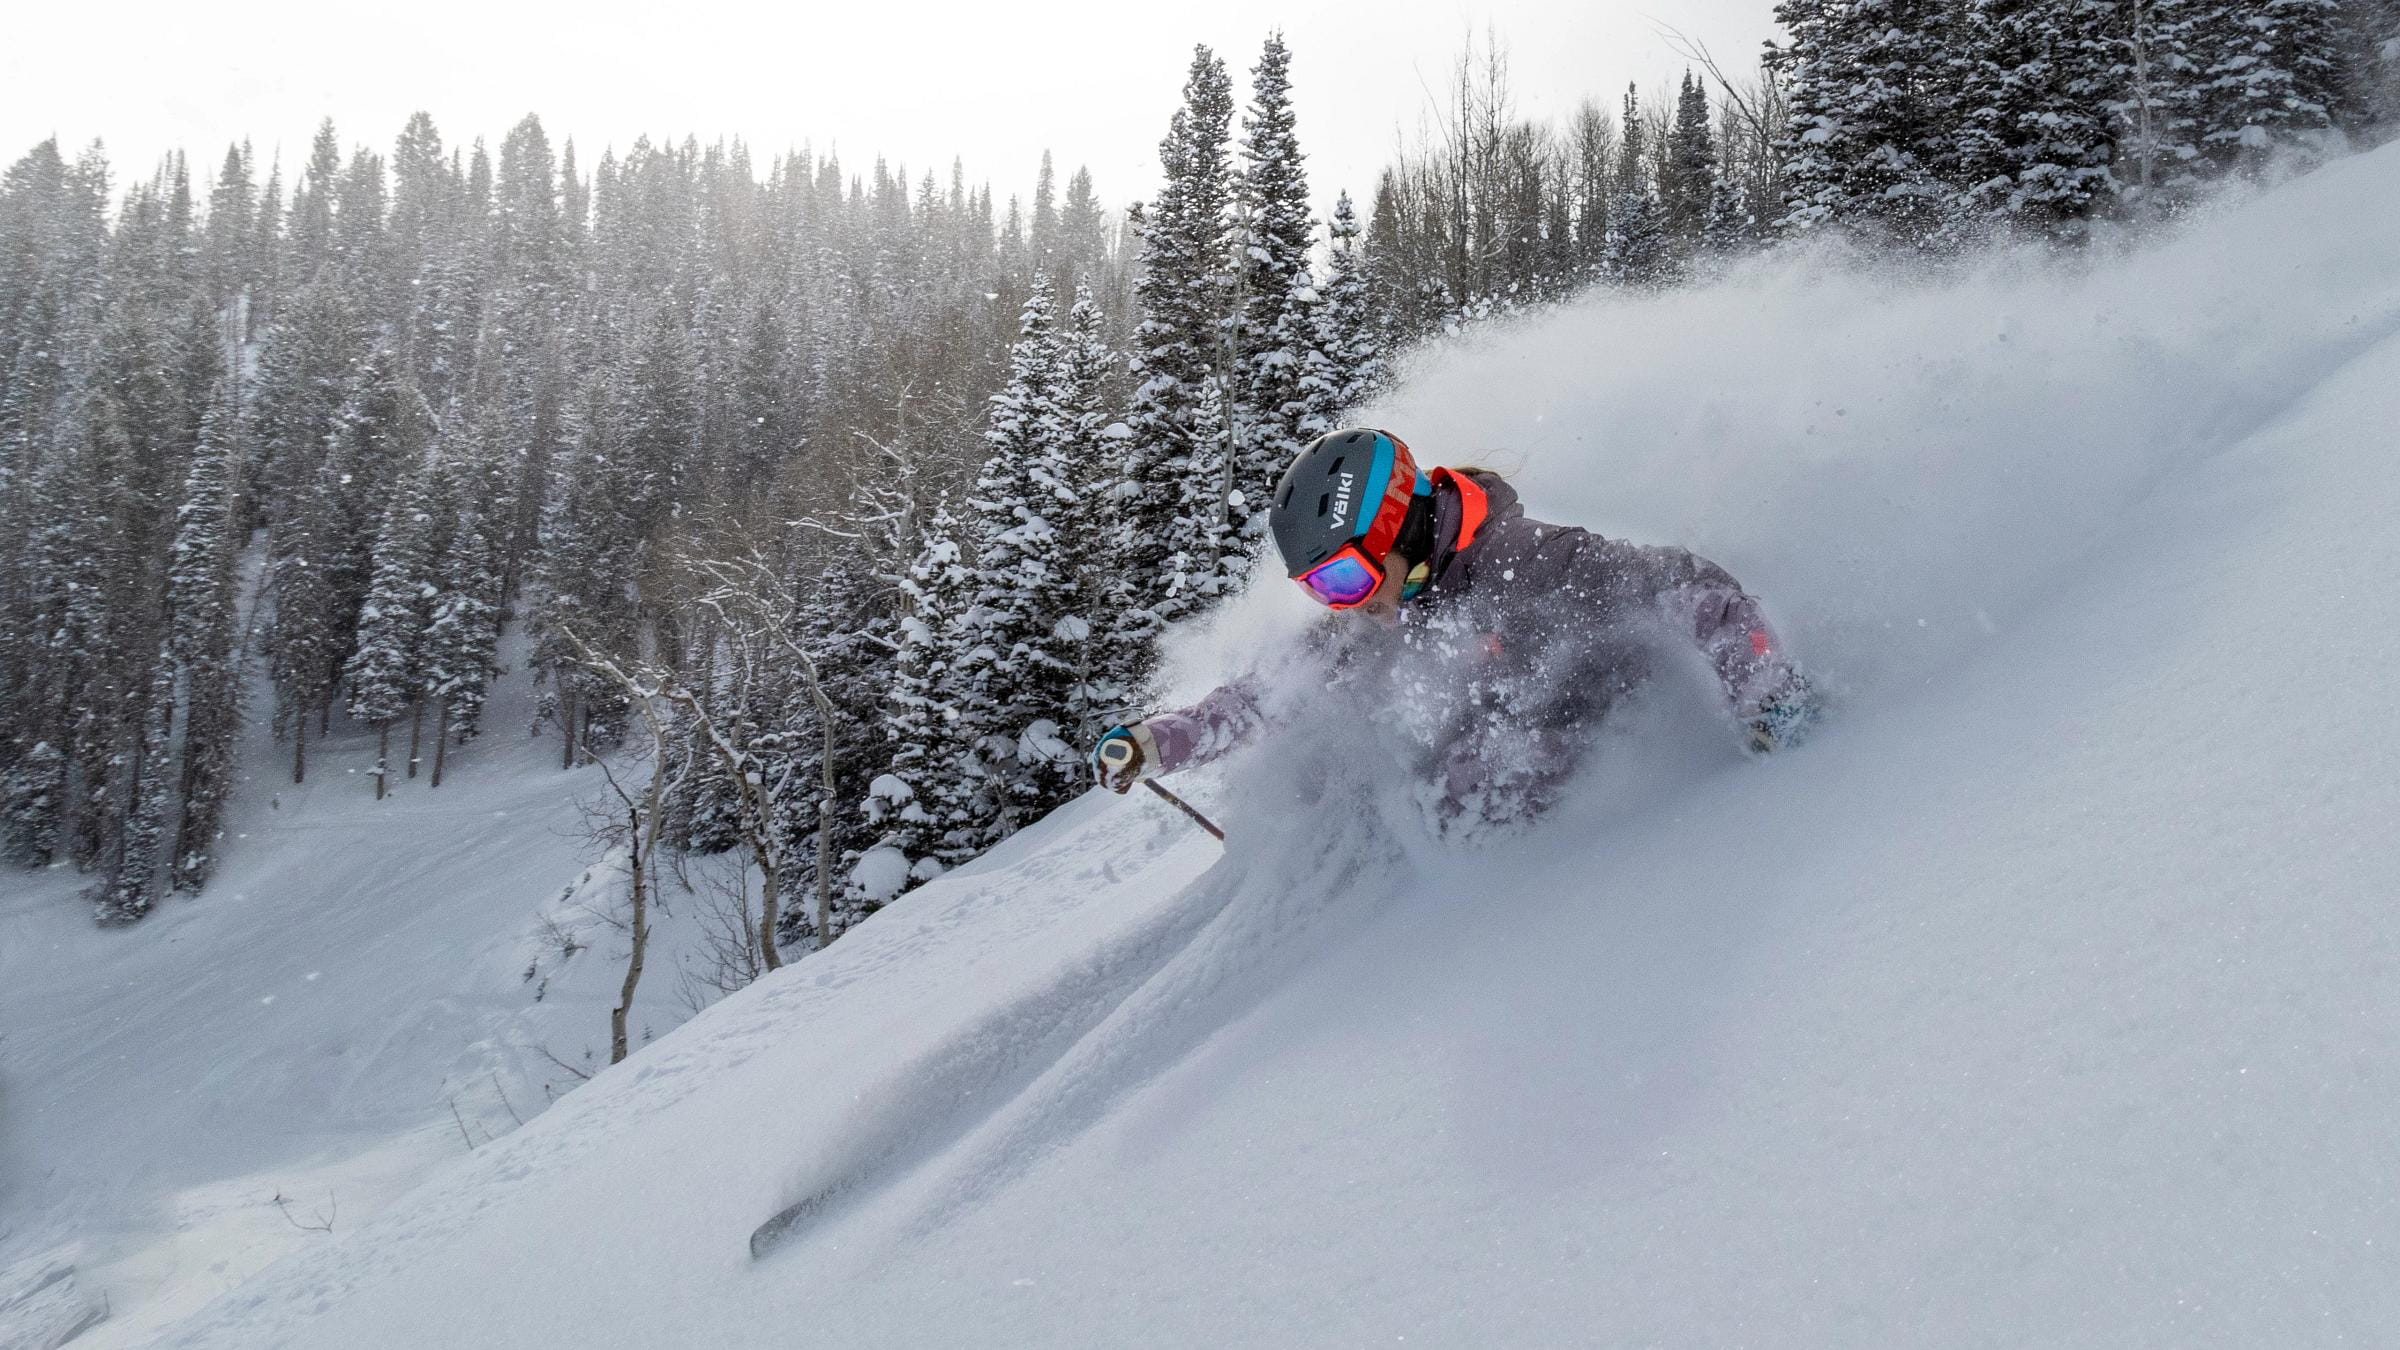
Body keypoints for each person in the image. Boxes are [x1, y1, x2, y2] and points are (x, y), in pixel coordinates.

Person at [1089, 428, 1821, 829]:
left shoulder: (1530, 561)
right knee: (1437, 792)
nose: (1341, 606)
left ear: (1392, 527)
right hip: (1505, 752)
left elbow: (1690, 585)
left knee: (1469, 784)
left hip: (1612, 753)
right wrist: (1162, 742)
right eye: (1319, 591)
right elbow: (1272, 694)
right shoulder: (1393, 601)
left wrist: (1766, 692)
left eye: (1342, 578)